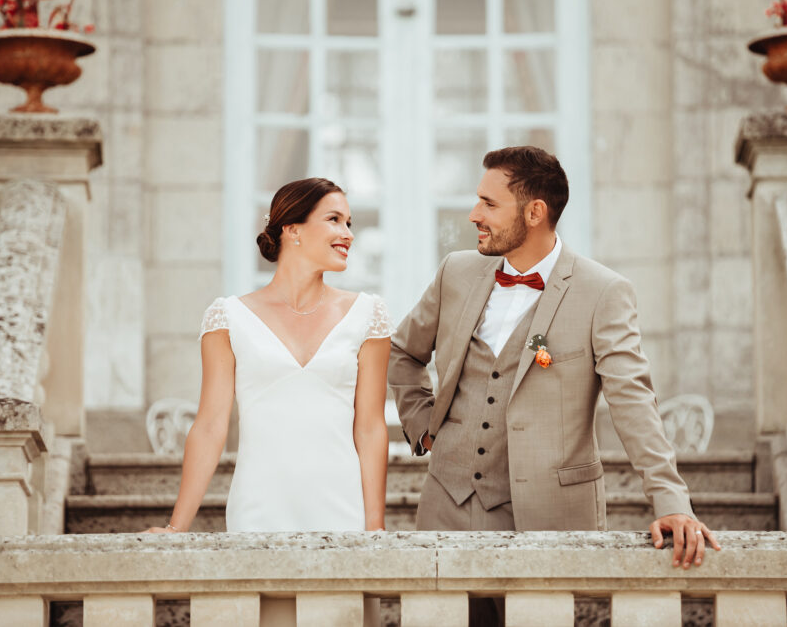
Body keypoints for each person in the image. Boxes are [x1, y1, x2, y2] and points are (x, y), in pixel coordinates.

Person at [391, 147, 720, 569]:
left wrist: (671, 500)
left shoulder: (603, 292)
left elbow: (633, 400)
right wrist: (423, 425)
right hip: (447, 506)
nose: (474, 214)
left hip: (550, 513)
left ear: (535, 213)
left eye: (489, 204)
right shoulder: (455, 272)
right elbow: (401, 352)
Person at [146, 178, 391, 589]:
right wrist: (177, 527)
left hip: (341, 506)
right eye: (334, 220)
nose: (348, 234)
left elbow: (369, 427)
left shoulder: (369, 315)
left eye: (349, 222)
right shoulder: (228, 317)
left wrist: (374, 528)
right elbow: (209, 426)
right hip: (259, 506)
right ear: (292, 229)